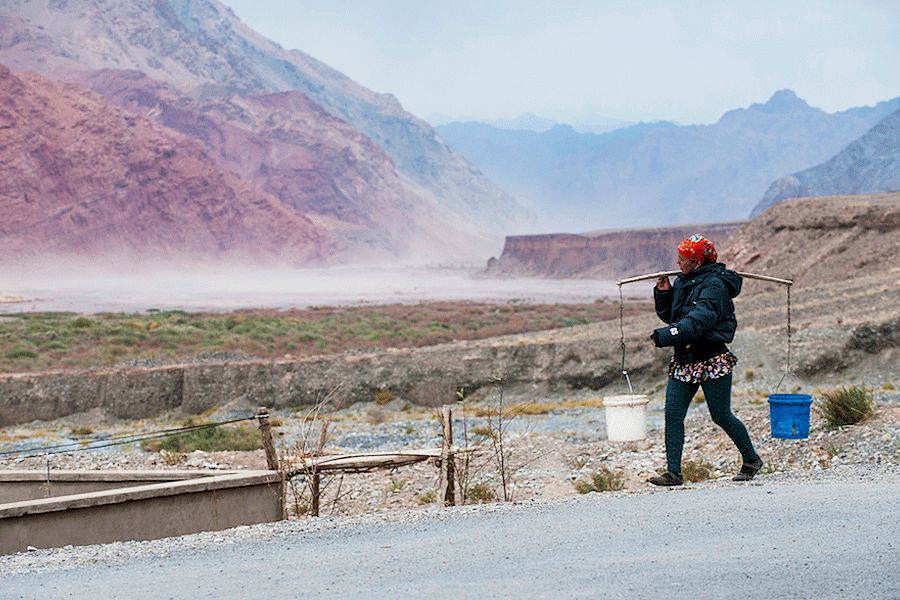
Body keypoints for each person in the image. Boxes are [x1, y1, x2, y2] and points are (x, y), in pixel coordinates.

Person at [648, 233, 762, 486]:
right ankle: (673, 473)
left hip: (712, 359)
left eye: (683, 259)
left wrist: (666, 336)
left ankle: (751, 460)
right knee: (673, 414)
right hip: (685, 358)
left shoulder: (714, 288)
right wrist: (664, 294)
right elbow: (674, 318)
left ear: (697, 263)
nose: (678, 262)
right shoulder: (685, 281)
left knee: (721, 415)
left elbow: (696, 323)